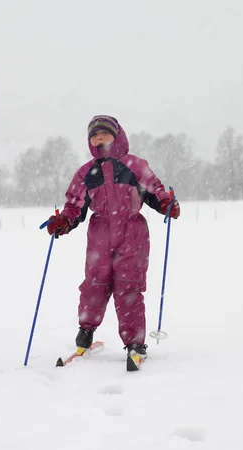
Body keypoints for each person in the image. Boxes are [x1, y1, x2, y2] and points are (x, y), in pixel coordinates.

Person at [46, 115, 180, 368]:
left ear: (116, 136)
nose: (99, 138)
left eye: (104, 134)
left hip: (132, 234)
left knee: (128, 288)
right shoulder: (86, 172)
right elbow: (75, 206)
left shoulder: (135, 165)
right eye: (94, 135)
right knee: (94, 285)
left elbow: (154, 191)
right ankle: (86, 330)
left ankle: (135, 343)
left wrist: (166, 204)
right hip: (99, 235)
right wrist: (64, 221)